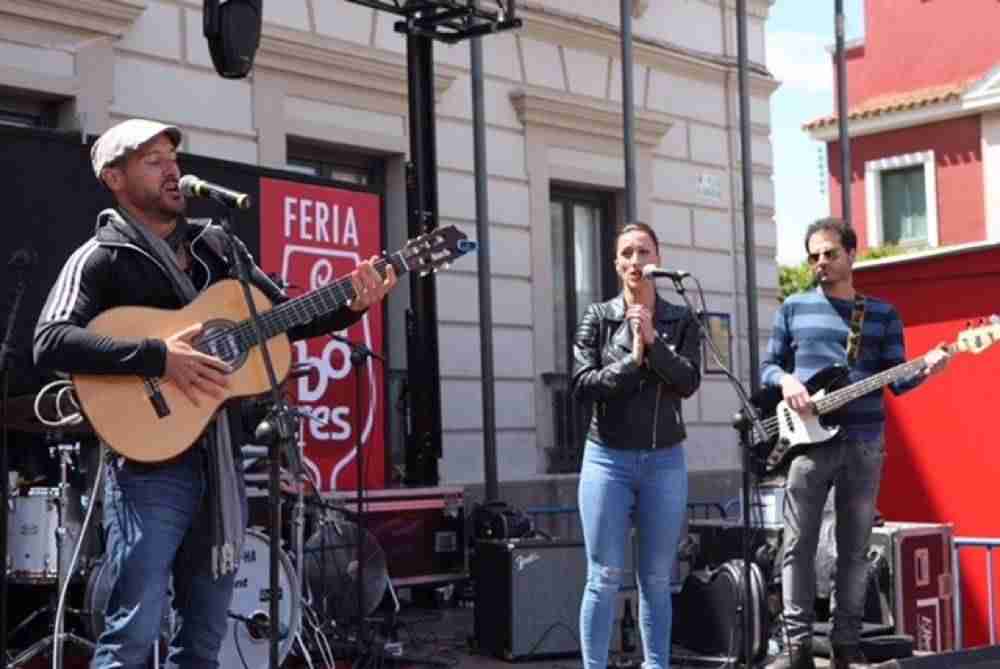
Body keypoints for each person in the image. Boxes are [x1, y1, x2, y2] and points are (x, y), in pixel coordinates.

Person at [33, 118, 397, 669]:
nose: (172, 169)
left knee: (203, 640)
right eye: (152, 161)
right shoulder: (102, 257)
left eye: (172, 158)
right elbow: (50, 340)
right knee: (132, 633)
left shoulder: (219, 246)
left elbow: (282, 321)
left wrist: (354, 301)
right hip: (149, 468)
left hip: (221, 462)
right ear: (114, 177)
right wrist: (161, 357)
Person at [761, 218, 950, 669]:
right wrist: (786, 380)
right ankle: (797, 645)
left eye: (829, 253)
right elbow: (767, 366)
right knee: (797, 545)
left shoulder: (882, 314)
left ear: (851, 254)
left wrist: (929, 369)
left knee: (855, 549)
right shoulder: (793, 308)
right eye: (813, 256)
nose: (820, 263)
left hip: (864, 443)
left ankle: (846, 645)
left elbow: (898, 382)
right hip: (806, 444)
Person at [571, 222, 701, 669]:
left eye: (643, 252)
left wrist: (652, 341)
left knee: (656, 579)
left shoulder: (679, 318)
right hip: (608, 458)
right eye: (626, 253)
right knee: (603, 577)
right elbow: (584, 385)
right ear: (615, 264)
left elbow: (688, 380)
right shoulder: (599, 317)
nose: (635, 261)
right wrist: (631, 360)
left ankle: (656, 665)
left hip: (665, 459)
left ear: (657, 259)